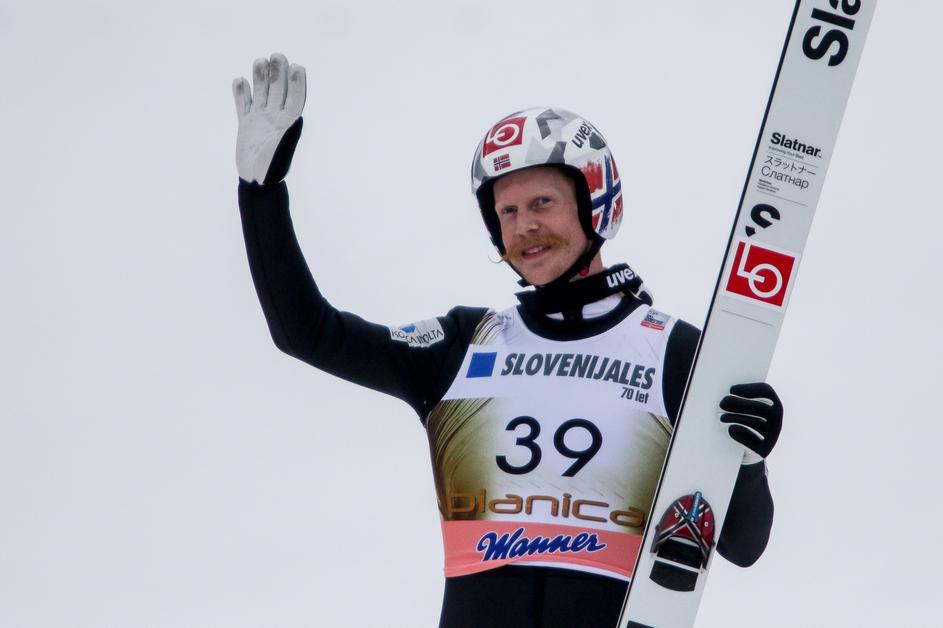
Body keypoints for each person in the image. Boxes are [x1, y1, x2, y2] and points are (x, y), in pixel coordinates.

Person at [233, 53, 783, 628]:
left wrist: (748, 459)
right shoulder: (464, 345)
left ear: (596, 203)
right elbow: (309, 333)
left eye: (542, 203)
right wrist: (261, 195)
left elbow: (744, 545)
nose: (523, 227)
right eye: (507, 212)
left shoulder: (675, 352)